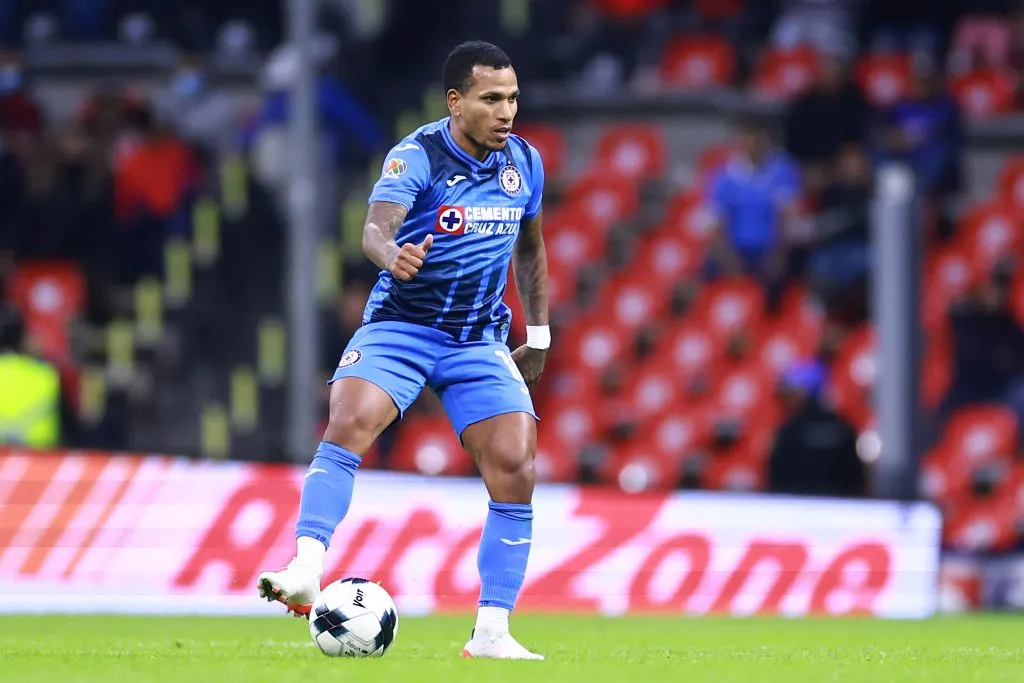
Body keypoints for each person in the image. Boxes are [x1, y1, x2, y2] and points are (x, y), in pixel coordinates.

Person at [257, 41, 549, 661]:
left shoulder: (524, 162)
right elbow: (374, 230)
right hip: (402, 326)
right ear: (456, 101)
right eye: (491, 99)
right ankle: (307, 566)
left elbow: (530, 249)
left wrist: (540, 332)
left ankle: (492, 632)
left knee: (517, 468)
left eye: (513, 99)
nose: (506, 112)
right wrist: (395, 256)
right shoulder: (416, 154)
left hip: (478, 337)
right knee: (350, 422)